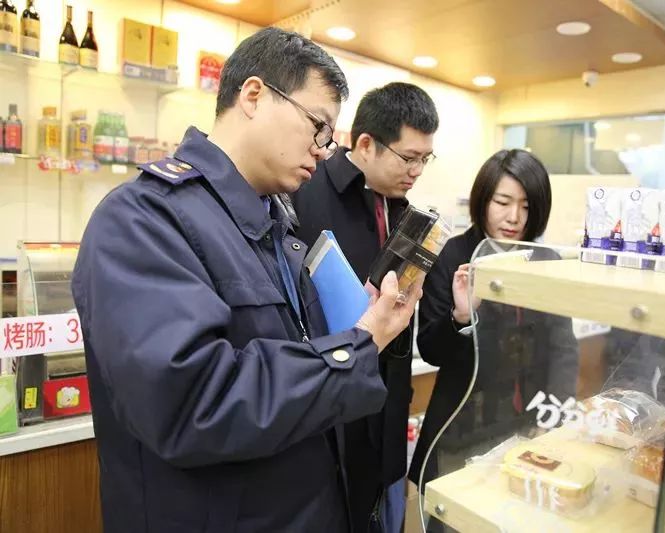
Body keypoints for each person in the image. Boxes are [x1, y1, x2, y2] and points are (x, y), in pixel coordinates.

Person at [71, 27, 422, 533]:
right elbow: (193, 403)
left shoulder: (276, 227)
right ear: (254, 95)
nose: (324, 150)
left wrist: (357, 323)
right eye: (317, 126)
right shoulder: (144, 219)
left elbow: (287, 361)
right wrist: (360, 346)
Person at [292, 82, 440, 533]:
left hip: (388, 406)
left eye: (425, 159)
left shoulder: (403, 211)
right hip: (327, 410)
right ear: (365, 143)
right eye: (408, 157)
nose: (416, 171)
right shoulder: (305, 192)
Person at [407, 149, 579, 530]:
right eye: (503, 202)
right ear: (484, 200)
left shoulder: (544, 258)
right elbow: (431, 349)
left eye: (525, 205)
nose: (514, 217)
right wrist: (462, 316)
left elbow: (563, 347)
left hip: (527, 426)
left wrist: (554, 417)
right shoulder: (453, 254)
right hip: (462, 429)